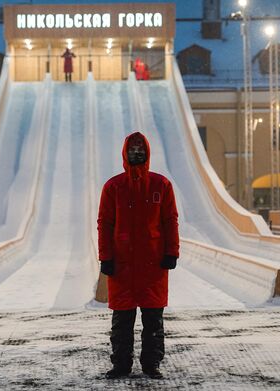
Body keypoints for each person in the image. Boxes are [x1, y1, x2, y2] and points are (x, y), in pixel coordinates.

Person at [97, 132, 179, 379]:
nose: (136, 153)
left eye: (140, 149)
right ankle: (121, 364)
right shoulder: (113, 187)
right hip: (122, 264)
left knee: (153, 319)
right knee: (122, 320)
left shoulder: (161, 185)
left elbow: (170, 220)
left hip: (153, 264)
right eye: (132, 149)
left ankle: (151, 364)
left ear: (147, 152)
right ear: (125, 153)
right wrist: (106, 257)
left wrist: (171, 252)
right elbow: (105, 223)